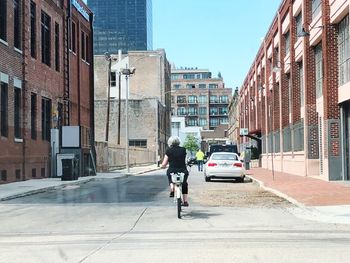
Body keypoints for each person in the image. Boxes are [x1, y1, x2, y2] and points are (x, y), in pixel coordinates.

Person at [161, 136, 189, 207]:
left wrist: (162, 166)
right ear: (179, 142)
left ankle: (172, 187)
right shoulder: (183, 150)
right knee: (184, 183)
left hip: (172, 170)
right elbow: (186, 160)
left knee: (170, 178)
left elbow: (164, 163)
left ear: (170, 142)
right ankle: (185, 201)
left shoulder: (168, 150)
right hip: (183, 170)